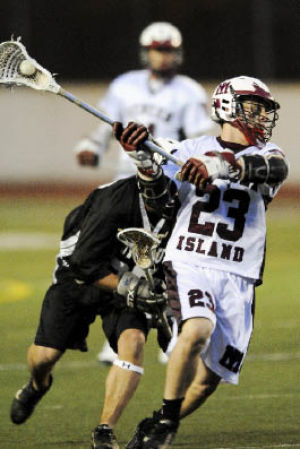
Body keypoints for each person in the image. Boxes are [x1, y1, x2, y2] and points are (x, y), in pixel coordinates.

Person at [113, 75, 289, 449]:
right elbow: (159, 201)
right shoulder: (188, 147)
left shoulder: (270, 153)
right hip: (191, 258)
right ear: (228, 106)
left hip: (238, 273)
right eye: (253, 108)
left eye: (263, 110)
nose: (260, 117)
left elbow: (272, 171)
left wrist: (218, 167)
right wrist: (144, 161)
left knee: (211, 379)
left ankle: (161, 420)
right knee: (196, 330)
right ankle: (165, 423)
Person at [74, 21, 213, 365]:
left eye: (166, 50)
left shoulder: (188, 91)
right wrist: (92, 146)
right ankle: (119, 335)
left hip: (167, 185)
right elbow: (106, 126)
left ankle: (177, 331)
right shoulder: (124, 86)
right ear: (146, 51)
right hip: (126, 183)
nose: (162, 57)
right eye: (157, 50)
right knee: (123, 261)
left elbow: (201, 140)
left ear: (176, 54)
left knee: (171, 258)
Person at [9, 167, 179, 449]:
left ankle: (104, 430)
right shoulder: (112, 202)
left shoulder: (181, 207)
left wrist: (169, 311)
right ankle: (38, 385)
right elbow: (83, 265)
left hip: (131, 281)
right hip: (83, 277)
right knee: (44, 357)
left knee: (134, 343)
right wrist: (133, 288)